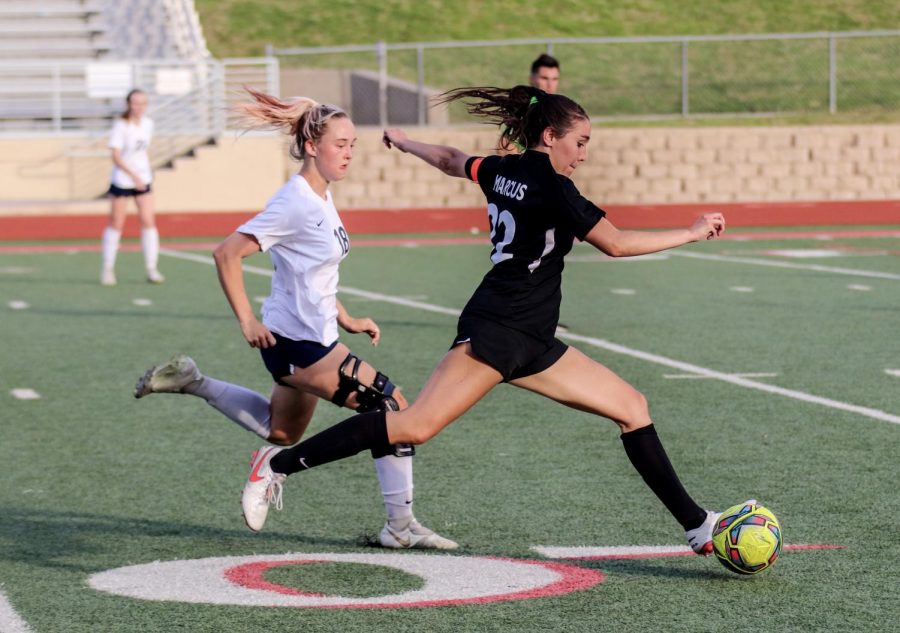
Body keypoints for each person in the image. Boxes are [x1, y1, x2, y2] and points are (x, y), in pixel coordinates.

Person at [238, 84, 749, 558]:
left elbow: (451, 160)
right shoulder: (554, 187)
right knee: (414, 423)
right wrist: (691, 230)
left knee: (632, 407)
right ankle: (276, 465)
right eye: (581, 141)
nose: (585, 152)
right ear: (551, 137)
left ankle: (697, 526)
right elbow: (616, 243)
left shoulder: (503, 170)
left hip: (533, 337)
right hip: (499, 329)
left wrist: (408, 142)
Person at [133, 87, 456, 550]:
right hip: (295, 343)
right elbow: (226, 253)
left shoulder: (321, 196)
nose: (348, 154)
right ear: (311, 146)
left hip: (315, 335)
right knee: (393, 408)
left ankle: (193, 381)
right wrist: (247, 321)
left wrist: (345, 315)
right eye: (340, 145)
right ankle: (395, 523)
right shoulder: (296, 200)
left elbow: (312, 268)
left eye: (352, 146)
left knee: (281, 430)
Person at [101, 88, 164, 286]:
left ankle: (151, 268)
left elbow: (142, 151)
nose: (139, 107)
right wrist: (133, 175)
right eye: (135, 103)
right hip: (123, 179)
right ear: (129, 104)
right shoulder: (121, 126)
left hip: (142, 178)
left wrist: (144, 173)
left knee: (148, 221)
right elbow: (116, 157)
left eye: (143, 103)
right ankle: (108, 268)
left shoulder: (148, 124)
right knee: (117, 223)